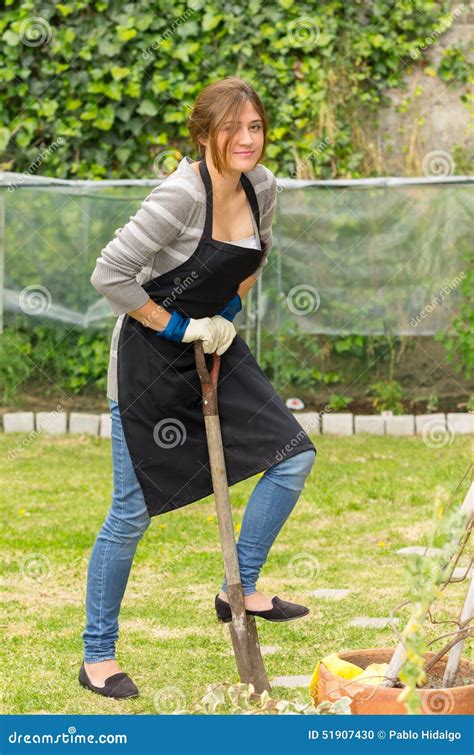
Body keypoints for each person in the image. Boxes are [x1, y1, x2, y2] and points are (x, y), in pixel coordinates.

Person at [80, 77, 316, 699]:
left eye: (256, 128)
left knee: (292, 456)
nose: (247, 140)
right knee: (130, 514)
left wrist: (225, 322)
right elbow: (111, 274)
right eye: (232, 129)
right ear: (204, 133)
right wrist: (181, 325)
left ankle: (237, 585)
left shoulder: (263, 188)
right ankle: (97, 655)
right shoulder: (181, 196)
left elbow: (252, 262)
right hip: (150, 358)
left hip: (215, 345)